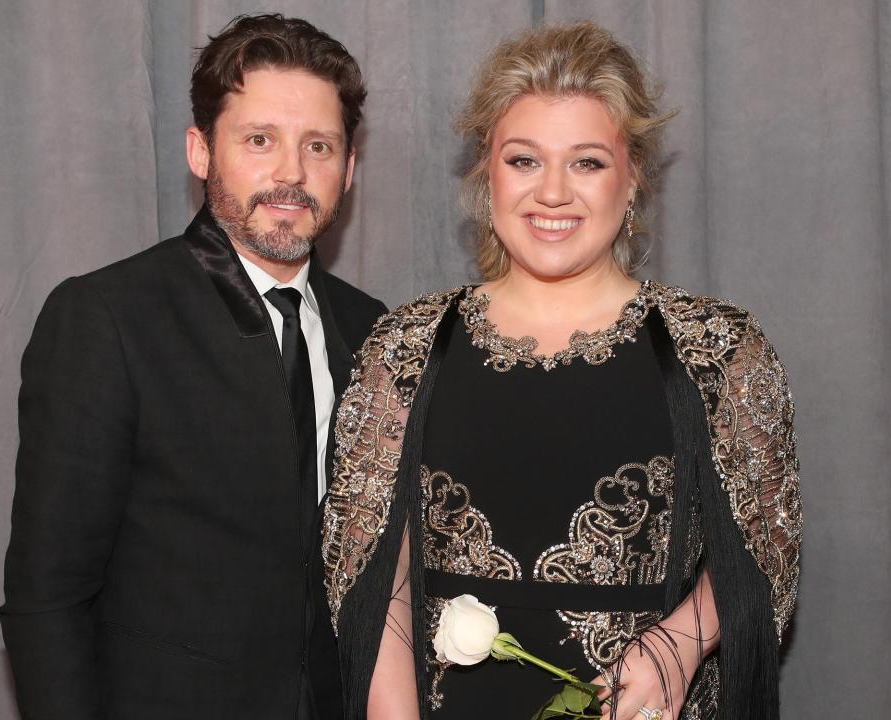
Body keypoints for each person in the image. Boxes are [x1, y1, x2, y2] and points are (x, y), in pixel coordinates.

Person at [323, 22, 801, 720]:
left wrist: (681, 645)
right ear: (487, 173)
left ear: (632, 176)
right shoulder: (404, 347)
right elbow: (373, 577)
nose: (552, 193)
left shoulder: (719, 350)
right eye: (523, 160)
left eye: (586, 163)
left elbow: (767, 550)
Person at [0, 14, 386, 720]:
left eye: (319, 146)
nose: (292, 174)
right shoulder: (109, 318)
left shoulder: (374, 330)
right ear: (201, 150)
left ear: (350, 168)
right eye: (260, 140)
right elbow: (45, 599)